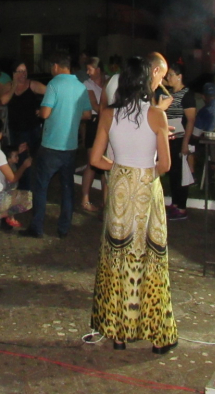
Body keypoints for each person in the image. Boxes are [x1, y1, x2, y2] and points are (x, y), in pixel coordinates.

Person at [88, 56, 177, 354]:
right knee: (150, 259)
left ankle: (118, 334)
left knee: (117, 256)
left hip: (119, 189)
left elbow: (94, 159)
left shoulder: (108, 115)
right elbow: (165, 164)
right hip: (145, 189)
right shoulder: (156, 115)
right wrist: (145, 171)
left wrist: (119, 169)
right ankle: (157, 336)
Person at [21, 51, 93, 239]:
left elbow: (45, 113)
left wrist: (41, 112)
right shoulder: (80, 86)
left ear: (55, 66)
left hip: (51, 144)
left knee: (41, 187)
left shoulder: (54, 84)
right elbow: (87, 114)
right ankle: (63, 228)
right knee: (67, 188)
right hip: (70, 146)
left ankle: (37, 227)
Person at [0, 61, 46, 190]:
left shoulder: (32, 84)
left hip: (32, 128)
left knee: (34, 158)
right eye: (19, 71)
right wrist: (14, 85)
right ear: (13, 73)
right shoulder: (9, 86)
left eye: (24, 71)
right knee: (19, 159)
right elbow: (3, 100)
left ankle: (33, 188)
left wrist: (43, 109)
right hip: (16, 129)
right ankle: (23, 189)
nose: (23, 74)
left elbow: (50, 93)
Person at [160, 63, 196, 221]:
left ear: (180, 76)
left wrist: (185, 143)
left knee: (181, 175)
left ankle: (181, 207)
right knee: (173, 174)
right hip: (170, 139)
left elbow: (190, 120)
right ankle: (175, 204)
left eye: (171, 75)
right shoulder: (169, 94)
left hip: (180, 138)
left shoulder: (186, 95)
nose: (168, 78)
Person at [79, 56, 105, 214]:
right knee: (92, 162)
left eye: (90, 69)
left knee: (105, 163)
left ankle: (105, 200)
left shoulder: (108, 81)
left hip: (107, 124)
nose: (87, 72)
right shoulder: (86, 85)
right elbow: (95, 106)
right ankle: (85, 198)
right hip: (94, 123)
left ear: (99, 70)